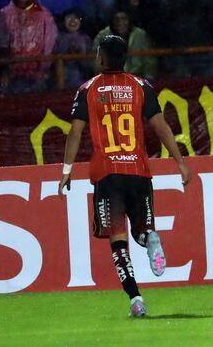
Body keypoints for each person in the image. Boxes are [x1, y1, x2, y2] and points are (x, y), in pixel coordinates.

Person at [57, 34, 191, 318]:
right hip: (139, 172)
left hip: (108, 175)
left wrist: (66, 170)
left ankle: (136, 300)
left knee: (118, 244)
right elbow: (160, 126)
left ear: (102, 58)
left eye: (97, 53)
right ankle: (150, 237)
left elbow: (75, 132)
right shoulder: (142, 86)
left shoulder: (88, 89)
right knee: (141, 231)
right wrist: (180, 162)